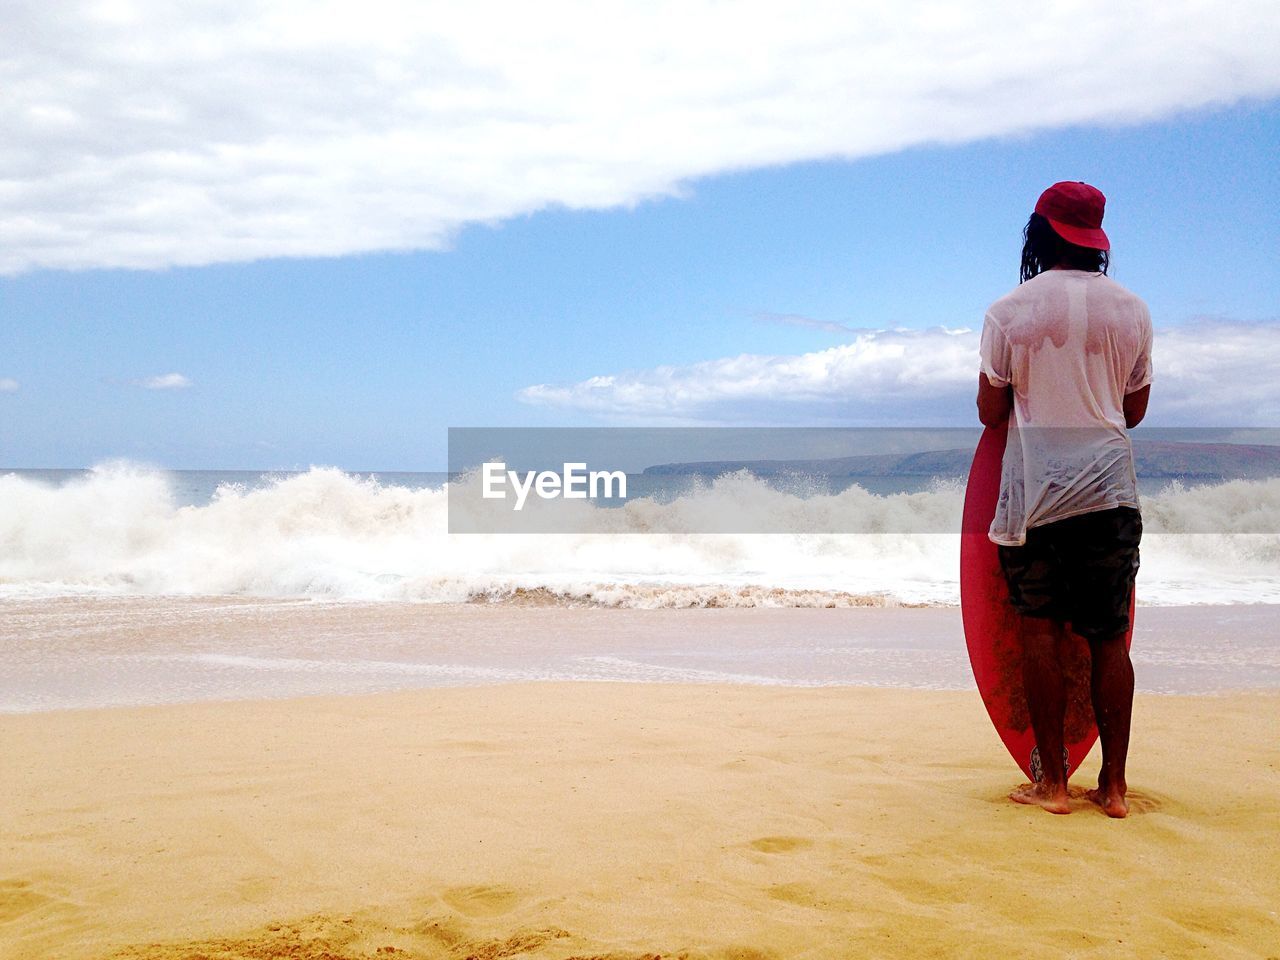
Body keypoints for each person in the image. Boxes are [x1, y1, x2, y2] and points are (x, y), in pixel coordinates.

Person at [975, 181, 1153, 818]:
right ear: (1096, 240)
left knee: (1040, 635)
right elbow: (1132, 411)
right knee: (1110, 640)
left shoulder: (1009, 311)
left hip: (1038, 500)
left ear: (1039, 233)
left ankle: (1052, 785)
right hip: (1111, 493)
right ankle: (1114, 787)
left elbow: (990, 410)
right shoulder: (1132, 310)